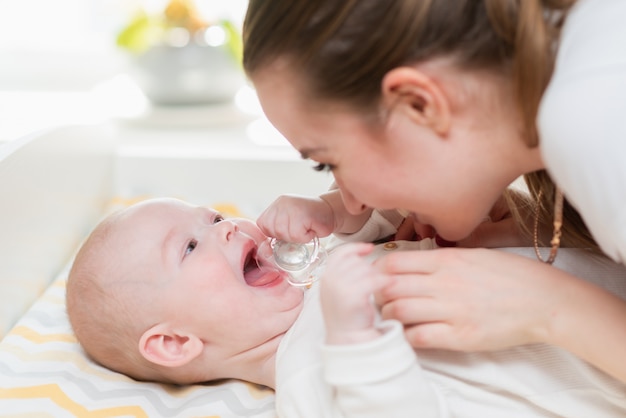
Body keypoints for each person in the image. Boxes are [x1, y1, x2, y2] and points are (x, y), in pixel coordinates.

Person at [241, 0, 626, 383]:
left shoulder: (595, 128)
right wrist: (537, 226)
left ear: (419, 103)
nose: (354, 201)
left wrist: (547, 308)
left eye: (328, 162)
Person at [66, 197, 626, 417]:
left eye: (212, 218)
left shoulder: (320, 277)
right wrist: (360, 341)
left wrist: (335, 214)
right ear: (175, 343)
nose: (228, 230)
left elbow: (391, 223)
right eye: (190, 248)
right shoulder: (306, 372)